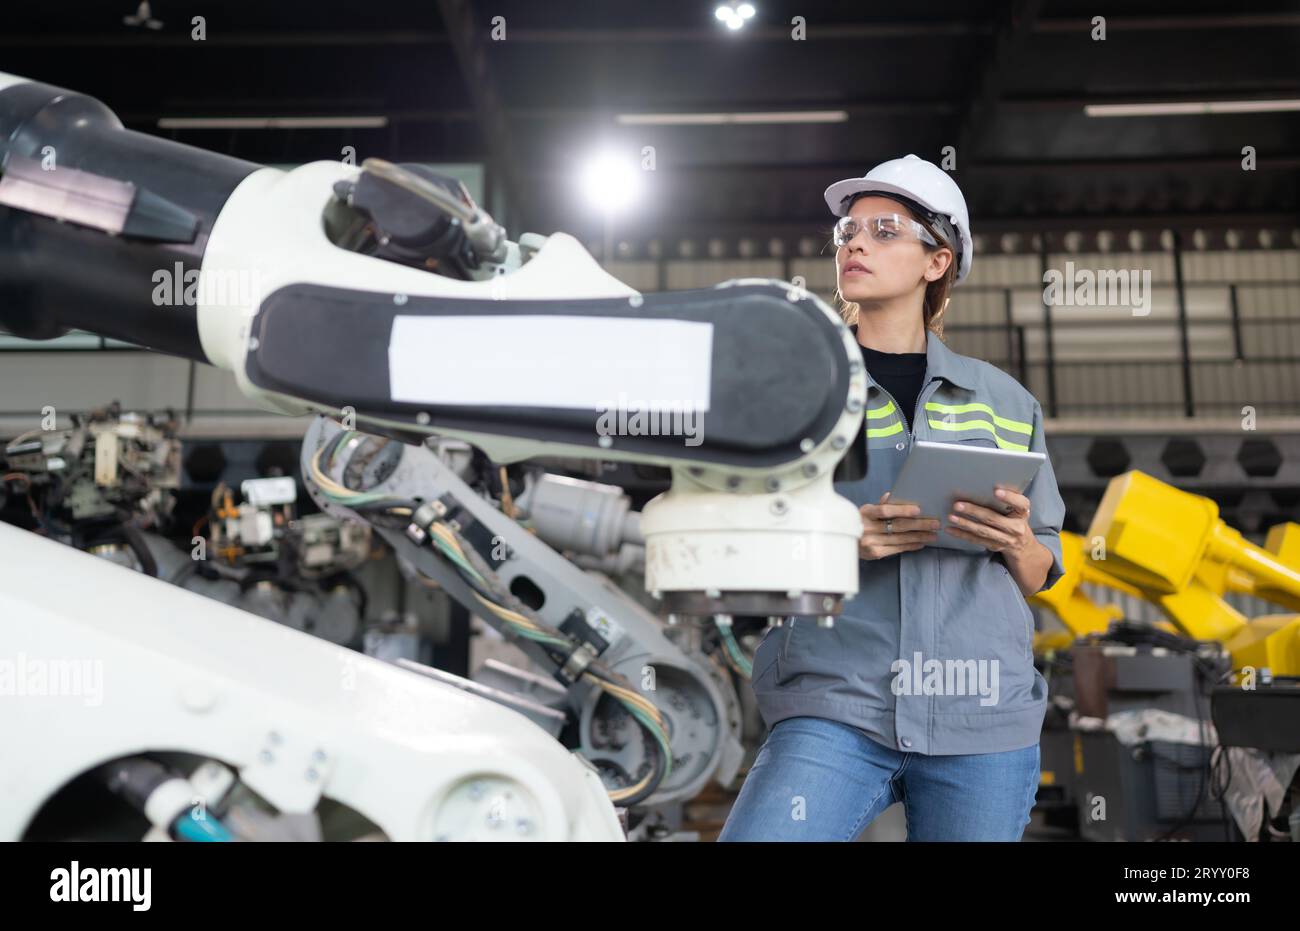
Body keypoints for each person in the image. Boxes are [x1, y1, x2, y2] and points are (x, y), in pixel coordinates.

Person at [719, 155, 1066, 842]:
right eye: (850, 230)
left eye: (884, 231)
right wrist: (842, 543)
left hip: (981, 711)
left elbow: (1042, 566)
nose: (854, 243)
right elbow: (740, 547)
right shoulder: (798, 390)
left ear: (937, 261)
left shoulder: (1005, 400)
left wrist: (1018, 540)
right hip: (836, 701)